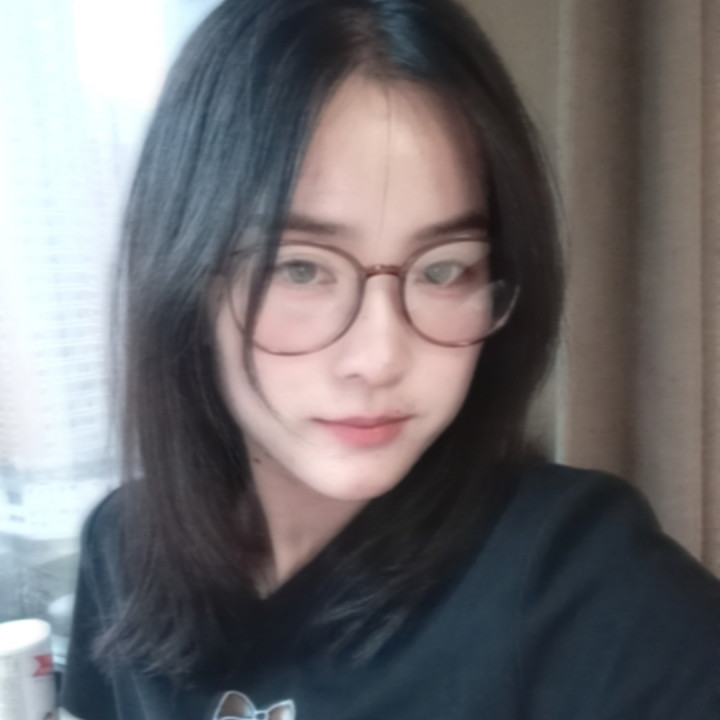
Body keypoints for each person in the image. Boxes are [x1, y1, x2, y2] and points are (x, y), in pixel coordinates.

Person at [59, 0, 720, 718]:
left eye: (443, 270)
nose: (379, 359)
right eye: (301, 268)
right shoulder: (122, 550)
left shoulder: (580, 583)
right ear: (187, 278)